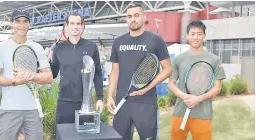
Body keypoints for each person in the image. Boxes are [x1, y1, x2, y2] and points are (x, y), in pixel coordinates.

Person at [105, 3, 173, 140]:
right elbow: (114, 71)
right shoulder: (118, 42)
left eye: (136, 15)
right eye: (129, 16)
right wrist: (110, 96)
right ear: (126, 19)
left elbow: (168, 69)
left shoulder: (156, 40)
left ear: (144, 17)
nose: (132, 19)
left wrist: (148, 87)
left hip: (146, 103)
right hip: (122, 103)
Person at [0, 8, 53, 140]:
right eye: (18, 21)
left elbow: (49, 77)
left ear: (29, 24)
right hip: (9, 109)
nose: (21, 25)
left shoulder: (37, 47)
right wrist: (15, 81)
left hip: (32, 110)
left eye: (25, 21)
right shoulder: (0, 47)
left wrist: (31, 76)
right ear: (11, 23)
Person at [168, 20, 225, 140]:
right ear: (187, 36)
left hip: (203, 114)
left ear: (204, 36)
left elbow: (217, 87)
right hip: (180, 112)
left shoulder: (214, 59)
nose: (196, 37)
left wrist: (198, 98)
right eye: (192, 34)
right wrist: (185, 97)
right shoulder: (179, 59)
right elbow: (171, 84)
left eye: (199, 34)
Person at [51, 12, 104, 125]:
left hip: (85, 103)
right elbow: (53, 73)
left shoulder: (91, 46)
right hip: (64, 102)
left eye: (78, 23)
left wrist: (100, 98)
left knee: (85, 136)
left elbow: (97, 72)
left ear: (82, 25)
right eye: (72, 23)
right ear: (67, 25)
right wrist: (41, 67)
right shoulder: (59, 48)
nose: (75, 26)